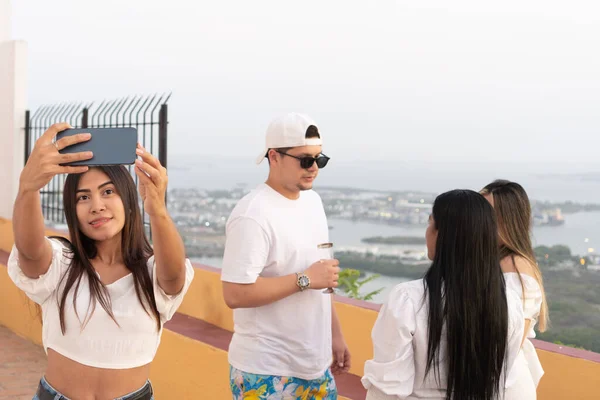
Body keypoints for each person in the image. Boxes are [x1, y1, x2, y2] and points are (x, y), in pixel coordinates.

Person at [8, 123, 195, 400]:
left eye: (108, 192)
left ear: (129, 200)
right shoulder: (62, 263)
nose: (97, 205)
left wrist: (157, 209)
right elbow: (31, 252)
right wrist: (28, 188)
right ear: (73, 210)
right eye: (83, 197)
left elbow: (174, 276)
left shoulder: (151, 271)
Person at [221, 113, 350, 399]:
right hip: (265, 370)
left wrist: (334, 334)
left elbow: (323, 276)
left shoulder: (313, 202)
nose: (314, 167)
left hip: (315, 368)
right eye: (305, 159)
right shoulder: (253, 214)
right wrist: (305, 279)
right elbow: (234, 294)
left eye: (320, 159)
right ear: (274, 156)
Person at [362, 189, 527, 400]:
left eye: (430, 223)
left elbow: (388, 390)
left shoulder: (408, 300)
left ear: (442, 234)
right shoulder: (509, 303)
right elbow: (501, 383)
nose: (427, 231)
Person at [481, 180, 548, 392]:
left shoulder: (515, 268)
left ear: (507, 220)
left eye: (486, 212)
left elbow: (506, 346)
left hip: (499, 384)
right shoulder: (494, 260)